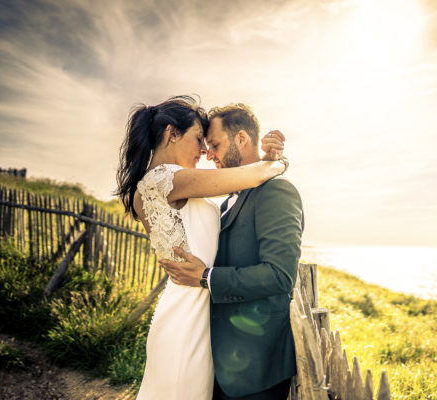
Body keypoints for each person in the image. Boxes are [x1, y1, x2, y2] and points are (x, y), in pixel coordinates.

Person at [115, 96, 287, 400]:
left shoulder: (159, 184)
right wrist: (277, 160)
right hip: (188, 317)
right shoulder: (166, 178)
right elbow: (254, 175)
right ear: (171, 133)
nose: (205, 151)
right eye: (198, 139)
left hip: (187, 308)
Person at [158, 103, 304, 400]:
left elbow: (279, 276)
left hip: (256, 369)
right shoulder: (226, 203)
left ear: (241, 139)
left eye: (214, 145)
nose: (209, 155)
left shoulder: (276, 192)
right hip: (218, 362)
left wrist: (205, 277)